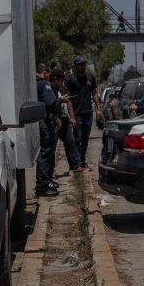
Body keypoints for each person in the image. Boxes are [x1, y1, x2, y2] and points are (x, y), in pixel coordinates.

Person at [50, 67, 86, 173]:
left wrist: (72, 117)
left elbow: (69, 102)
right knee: (52, 147)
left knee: (71, 142)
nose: (62, 82)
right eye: (61, 80)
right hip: (55, 121)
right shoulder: (49, 89)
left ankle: (76, 165)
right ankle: (50, 171)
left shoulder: (63, 88)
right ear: (55, 79)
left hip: (65, 121)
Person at [68, 55, 101, 164]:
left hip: (88, 113)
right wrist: (71, 116)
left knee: (85, 139)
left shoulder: (90, 77)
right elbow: (68, 99)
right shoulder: (71, 79)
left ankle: (82, 160)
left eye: (83, 64)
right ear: (75, 66)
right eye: (80, 64)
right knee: (77, 138)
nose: (82, 66)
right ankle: (76, 162)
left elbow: (94, 93)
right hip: (77, 114)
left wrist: (98, 108)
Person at [34, 64, 59, 197]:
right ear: (44, 73)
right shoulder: (43, 84)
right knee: (45, 153)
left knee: (45, 153)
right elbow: (51, 102)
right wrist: (60, 101)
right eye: (49, 74)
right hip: (44, 122)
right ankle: (42, 186)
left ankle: (45, 182)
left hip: (39, 121)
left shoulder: (33, 83)